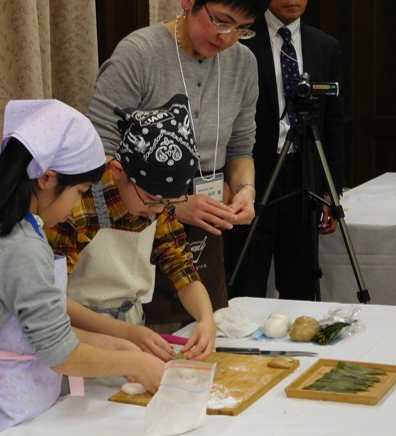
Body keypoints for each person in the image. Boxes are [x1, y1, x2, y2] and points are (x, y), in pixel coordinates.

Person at [0, 100, 166, 436]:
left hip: (0, 393)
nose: (75, 208)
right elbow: (60, 354)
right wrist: (135, 362)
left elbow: (36, 329)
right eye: (80, 192)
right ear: (47, 178)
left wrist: (115, 344)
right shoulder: (22, 246)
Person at [88, 0, 268, 329]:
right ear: (188, 2)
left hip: (208, 217)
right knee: (145, 340)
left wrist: (245, 190)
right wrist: (171, 205)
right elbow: (98, 155)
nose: (227, 38)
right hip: (135, 215)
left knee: (205, 334)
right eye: (221, 21)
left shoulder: (243, 63)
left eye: (241, 29)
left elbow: (241, 146)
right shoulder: (140, 54)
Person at [46, 94, 216, 361]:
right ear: (117, 171)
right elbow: (51, 298)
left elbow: (181, 266)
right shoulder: (77, 203)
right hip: (78, 335)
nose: (157, 210)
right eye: (150, 200)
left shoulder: (157, 204)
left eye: (168, 203)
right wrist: (123, 333)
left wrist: (206, 320)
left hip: (132, 328)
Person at [225, 0, 346, 301]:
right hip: (252, 173)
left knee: (301, 285)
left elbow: (333, 122)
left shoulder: (325, 45)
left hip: (304, 175)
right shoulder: (241, 39)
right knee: (246, 280)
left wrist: (332, 189)